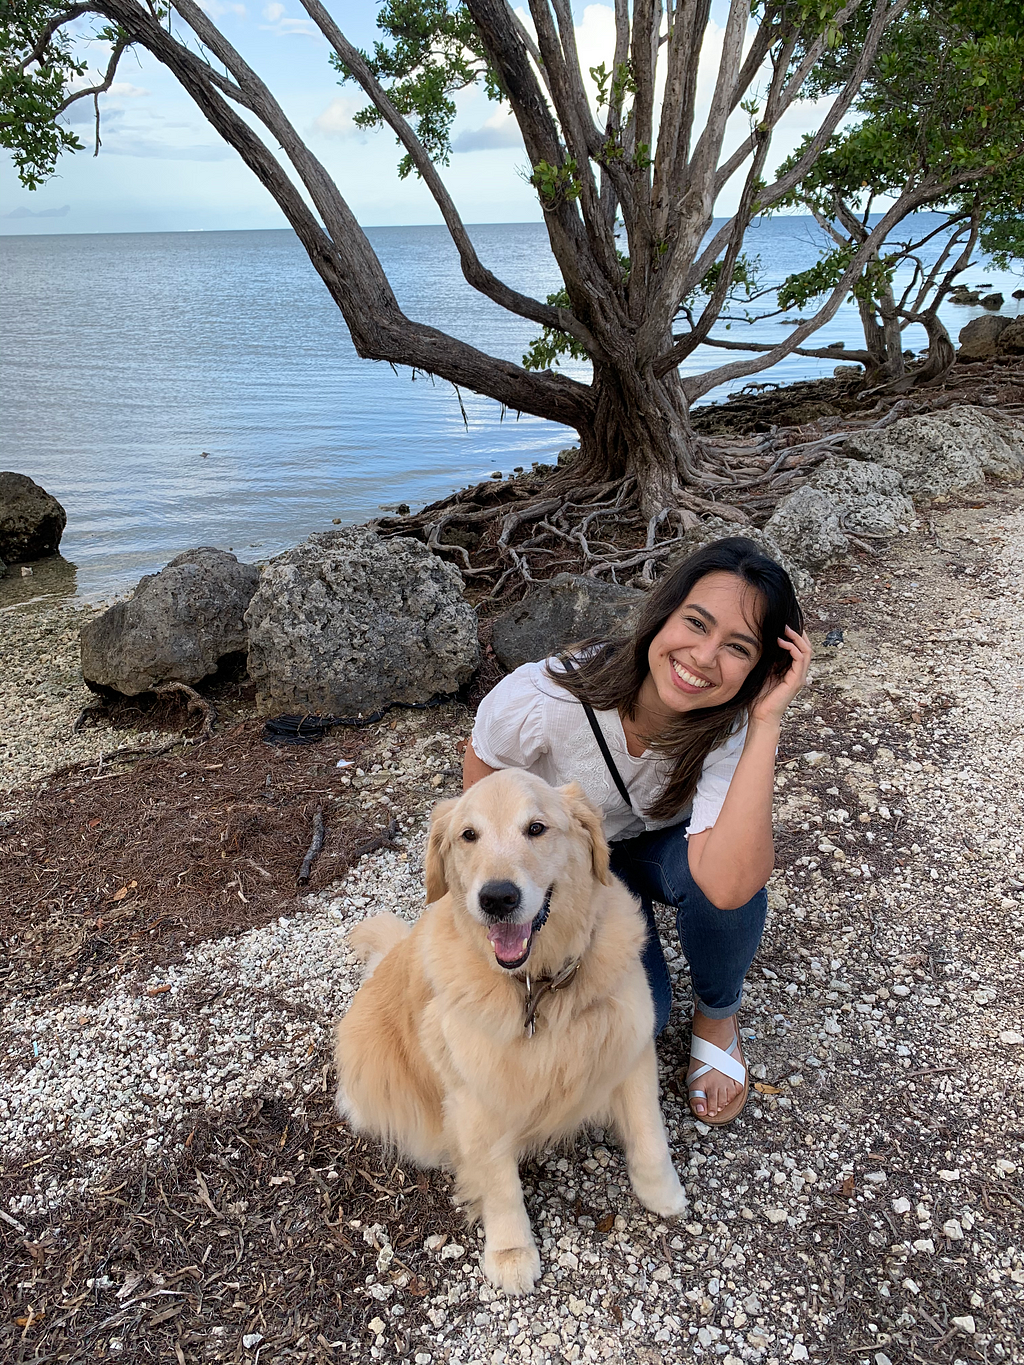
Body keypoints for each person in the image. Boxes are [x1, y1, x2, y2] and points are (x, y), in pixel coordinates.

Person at [463, 536, 812, 1126]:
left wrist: (767, 721)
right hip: (571, 862)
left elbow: (730, 883)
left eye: (737, 647)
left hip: (663, 851)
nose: (703, 657)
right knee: (641, 1022)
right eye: (695, 624)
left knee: (727, 886)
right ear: (662, 615)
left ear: (761, 668)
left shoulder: (731, 728)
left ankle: (718, 1014)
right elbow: (484, 809)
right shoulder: (545, 697)